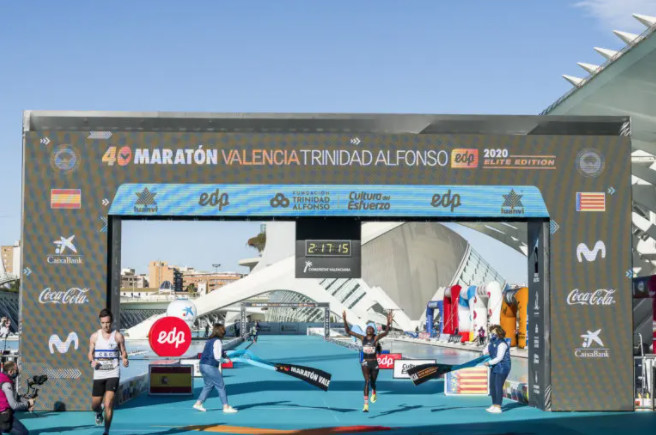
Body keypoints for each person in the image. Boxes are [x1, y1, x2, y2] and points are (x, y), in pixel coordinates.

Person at [343, 310, 393, 412]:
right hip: (365, 363)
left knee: (373, 382)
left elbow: (386, 332)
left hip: (374, 363)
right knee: (366, 381)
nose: (369, 329)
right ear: (366, 331)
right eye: (368, 328)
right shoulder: (362, 338)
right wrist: (344, 320)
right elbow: (348, 331)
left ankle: (374, 391)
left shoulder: (376, 338)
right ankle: (366, 405)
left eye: (371, 328)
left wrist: (388, 322)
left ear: (373, 331)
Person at [88, 309, 128, 435]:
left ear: (112, 322)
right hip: (99, 373)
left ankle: (106, 431)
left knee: (108, 403)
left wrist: (124, 359)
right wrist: (92, 361)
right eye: (103, 323)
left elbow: (123, 352)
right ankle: (98, 412)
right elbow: (90, 353)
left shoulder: (118, 336)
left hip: (113, 373)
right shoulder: (94, 337)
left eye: (108, 322)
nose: (106, 325)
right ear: (100, 322)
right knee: (95, 405)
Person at [193, 323, 237, 414]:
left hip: (202, 365)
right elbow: (217, 357)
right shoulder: (217, 341)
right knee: (221, 386)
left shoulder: (209, 340)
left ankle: (198, 403)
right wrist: (225, 361)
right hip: (210, 366)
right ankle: (226, 406)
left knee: (208, 385)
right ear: (221, 331)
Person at [482, 325, 511, 414]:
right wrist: (487, 346)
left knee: (498, 386)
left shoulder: (502, 344)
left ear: (499, 333)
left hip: (503, 367)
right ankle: (494, 404)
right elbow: (484, 351)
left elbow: (499, 358)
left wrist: (489, 363)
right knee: (492, 386)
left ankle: (498, 406)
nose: (492, 334)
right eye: (491, 333)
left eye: (494, 333)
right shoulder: (492, 342)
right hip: (494, 366)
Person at [0, 361, 33, 435]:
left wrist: (26, 402)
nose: (17, 372)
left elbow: (15, 396)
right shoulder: (6, 384)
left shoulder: (2, 378)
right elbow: (14, 405)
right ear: (10, 371)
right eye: (16, 370)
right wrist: (28, 404)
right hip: (3, 415)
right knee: (23, 433)